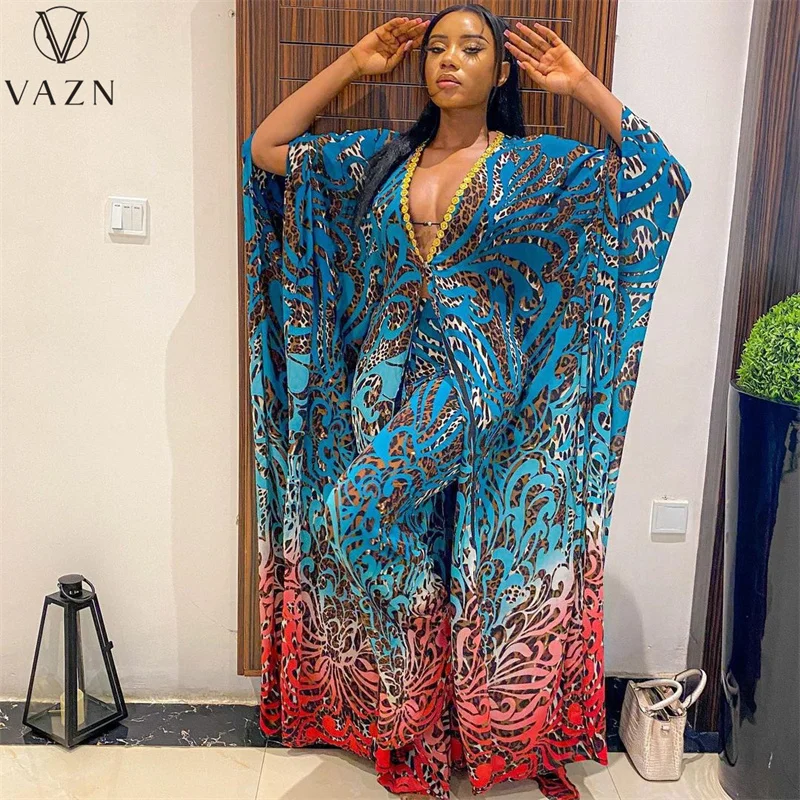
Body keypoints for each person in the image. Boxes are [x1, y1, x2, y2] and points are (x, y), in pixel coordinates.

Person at [241, 4, 692, 799]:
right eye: (438, 48)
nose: (450, 59)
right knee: (424, 554)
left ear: (500, 71)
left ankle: (422, 720)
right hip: (380, 389)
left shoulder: (536, 167)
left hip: (471, 386)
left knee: (352, 513)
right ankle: (433, 728)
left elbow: (659, 177)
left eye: (472, 48)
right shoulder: (383, 160)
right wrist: (354, 65)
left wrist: (581, 84)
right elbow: (268, 150)